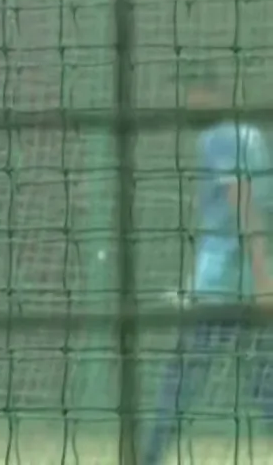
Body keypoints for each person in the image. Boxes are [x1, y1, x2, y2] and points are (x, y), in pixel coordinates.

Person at [140, 61, 273, 465]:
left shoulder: (218, 138)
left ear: (211, 94)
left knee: (183, 377)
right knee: (264, 382)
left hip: (224, 285)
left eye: (192, 93)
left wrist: (263, 279)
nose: (187, 102)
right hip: (244, 280)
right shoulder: (251, 134)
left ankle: (149, 456)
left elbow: (243, 204)